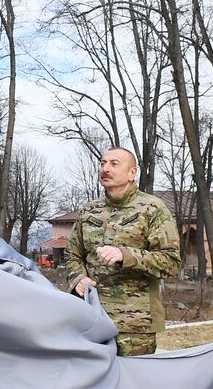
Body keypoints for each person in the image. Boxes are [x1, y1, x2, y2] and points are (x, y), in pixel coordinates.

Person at [64, 148, 181, 356]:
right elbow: (72, 254)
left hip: (135, 325)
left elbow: (171, 262)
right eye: (103, 163)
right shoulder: (89, 210)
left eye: (114, 164)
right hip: (92, 318)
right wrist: (78, 278)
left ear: (132, 173)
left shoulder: (152, 208)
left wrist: (124, 255)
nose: (105, 169)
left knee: (134, 386)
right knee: (92, 384)